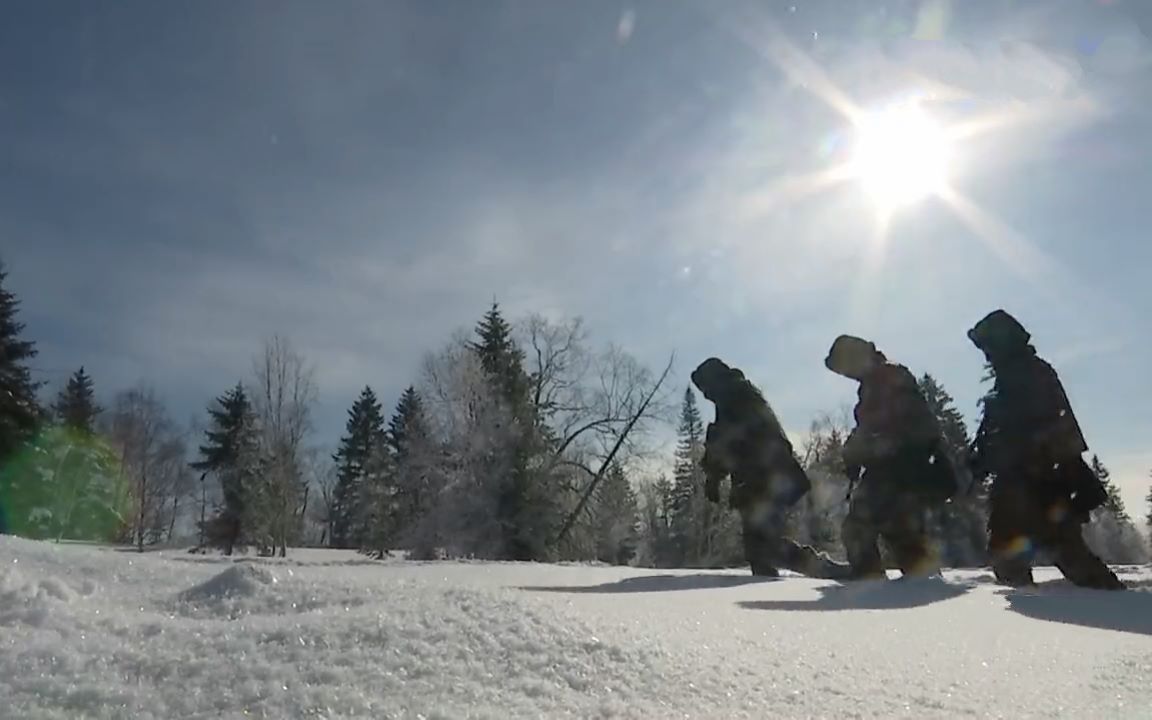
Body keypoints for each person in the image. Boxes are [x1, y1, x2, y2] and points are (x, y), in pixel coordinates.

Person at [967, 309, 1124, 590]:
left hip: (1041, 481)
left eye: (988, 347)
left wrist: (998, 454)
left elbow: (1038, 429)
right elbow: (999, 431)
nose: (986, 355)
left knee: (1060, 549)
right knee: (1037, 551)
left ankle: (1113, 602)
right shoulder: (1013, 377)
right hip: (1025, 483)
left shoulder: (1030, 373)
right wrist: (981, 457)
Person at [691, 357, 851, 579]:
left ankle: (822, 568)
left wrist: (713, 476)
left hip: (766, 478)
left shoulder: (733, 394)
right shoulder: (737, 393)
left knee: (762, 544)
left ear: (714, 380)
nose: (706, 395)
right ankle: (769, 581)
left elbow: (725, 439)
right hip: (767, 477)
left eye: (706, 388)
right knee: (758, 545)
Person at [825, 335, 956, 580]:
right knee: (895, 533)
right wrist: (853, 454)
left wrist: (863, 449)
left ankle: (877, 585)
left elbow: (893, 424)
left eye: (844, 367)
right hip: (891, 469)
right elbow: (869, 427)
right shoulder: (874, 382)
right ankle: (905, 584)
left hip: (900, 468)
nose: (845, 374)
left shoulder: (888, 377)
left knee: (865, 529)